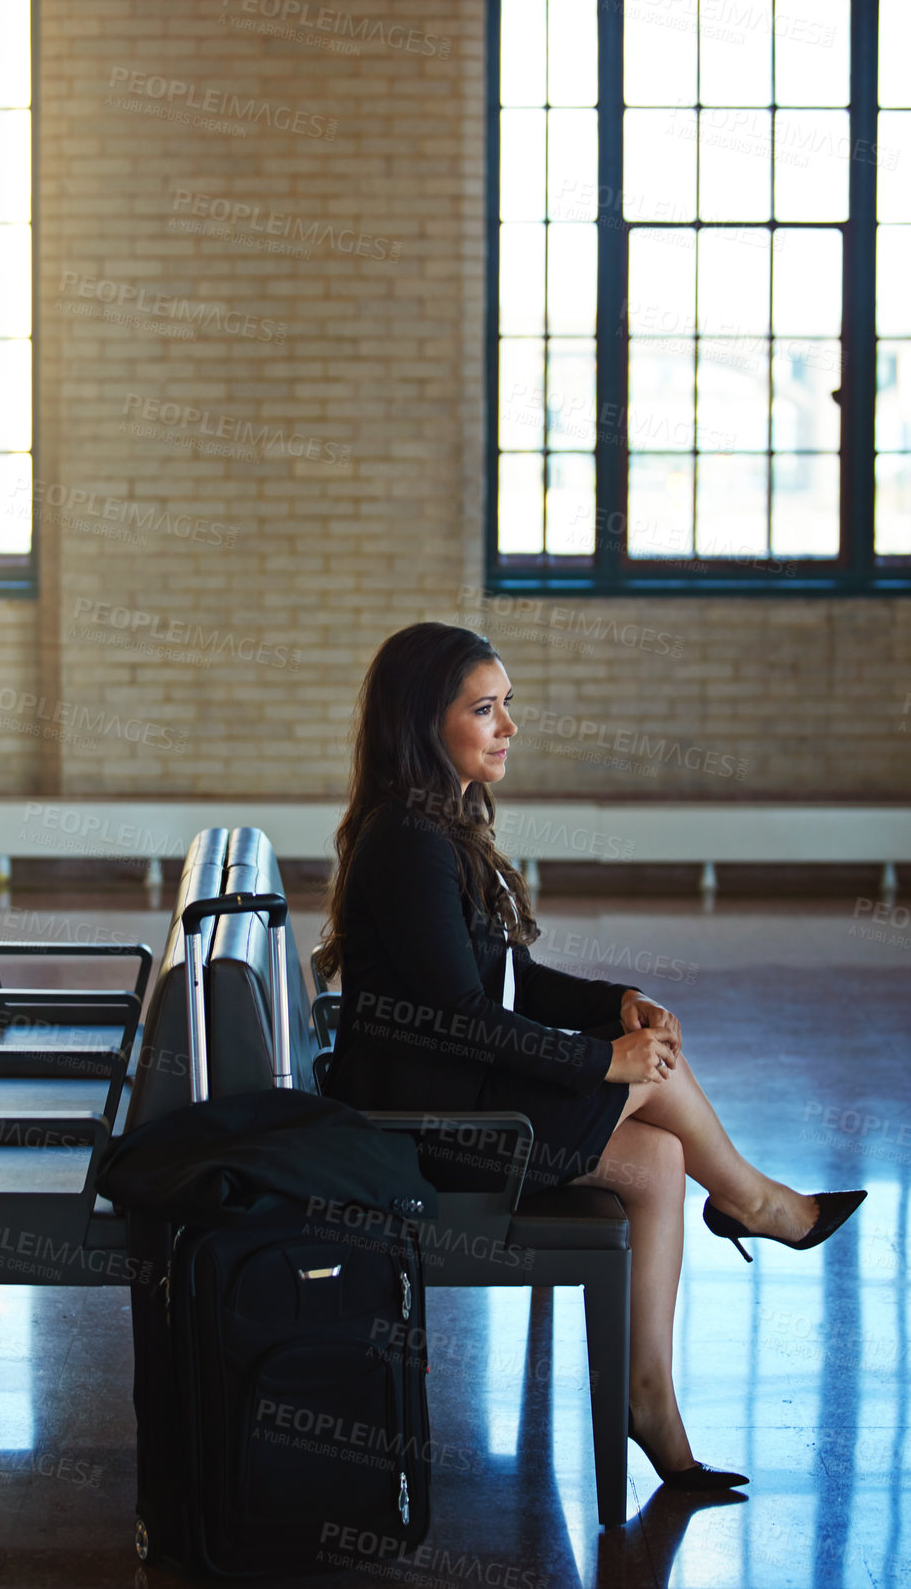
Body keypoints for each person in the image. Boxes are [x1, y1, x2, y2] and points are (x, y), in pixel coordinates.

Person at [315, 621, 866, 1491]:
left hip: (455, 1100)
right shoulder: (408, 843)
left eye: (507, 707)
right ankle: (757, 1203)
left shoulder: (437, 826)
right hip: (428, 1128)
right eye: (485, 709)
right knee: (655, 1072)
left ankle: (647, 1394)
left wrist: (610, 1007)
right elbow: (461, 1019)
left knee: (655, 1159)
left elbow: (509, 979)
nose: (508, 728)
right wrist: (604, 1060)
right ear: (425, 723)